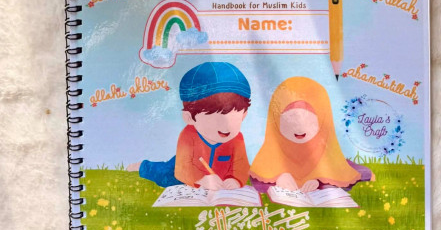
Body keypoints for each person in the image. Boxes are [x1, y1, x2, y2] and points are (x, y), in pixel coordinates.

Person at [127, 61, 251, 191]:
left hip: (218, 180)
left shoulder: (237, 140)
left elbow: (241, 166)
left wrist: (235, 179)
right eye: (213, 119)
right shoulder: (188, 135)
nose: (225, 126)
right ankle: (143, 166)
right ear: (189, 118)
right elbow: (182, 169)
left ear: (244, 115)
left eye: (233, 118)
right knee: (164, 175)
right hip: (182, 169)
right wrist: (201, 179)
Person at [250, 76, 373, 192]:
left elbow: (338, 174)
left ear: (322, 120)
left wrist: (318, 181)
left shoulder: (322, 147)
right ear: (276, 120)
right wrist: (279, 176)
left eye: (309, 119)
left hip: (325, 173)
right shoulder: (272, 148)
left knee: (352, 171)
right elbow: (259, 176)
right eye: (291, 118)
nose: (299, 127)